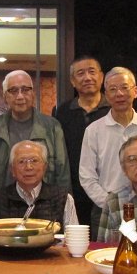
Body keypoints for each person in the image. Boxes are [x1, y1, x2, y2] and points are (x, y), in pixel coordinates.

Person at [79, 66, 137, 240]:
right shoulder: (94, 130)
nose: (119, 94)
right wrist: (110, 203)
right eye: (113, 89)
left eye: (124, 88)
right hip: (106, 209)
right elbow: (86, 176)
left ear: (135, 91)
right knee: (106, 255)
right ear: (106, 95)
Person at [0, 69, 70, 210]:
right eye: (13, 91)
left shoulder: (51, 127)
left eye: (25, 90)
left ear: (33, 94)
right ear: (5, 96)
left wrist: (62, 206)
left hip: (44, 206)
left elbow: (62, 172)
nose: (20, 96)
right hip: (3, 206)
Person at [53, 56, 109, 229]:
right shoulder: (61, 112)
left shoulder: (114, 109)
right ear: (72, 81)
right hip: (73, 191)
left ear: (101, 77)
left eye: (92, 72)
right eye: (80, 73)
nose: (87, 77)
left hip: (108, 190)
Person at [0, 140, 79, 230]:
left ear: (45, 167)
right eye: (21, 161)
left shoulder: (63, 198)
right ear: (12, 170)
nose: (28, 167)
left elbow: (74, 237)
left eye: (34, 161)